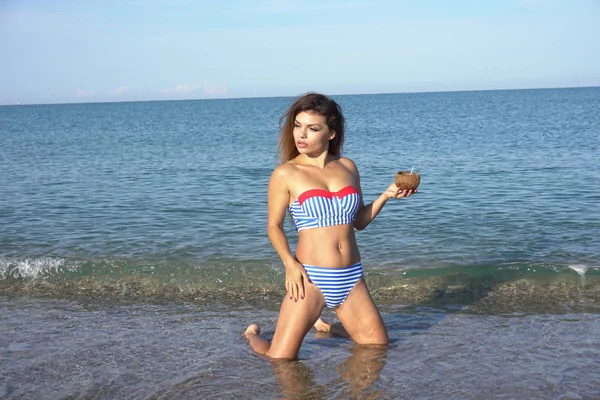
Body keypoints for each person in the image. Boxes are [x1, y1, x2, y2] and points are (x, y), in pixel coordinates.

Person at [244, 92, 416, 360]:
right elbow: (274, 226)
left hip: (351, 277)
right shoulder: (286, 173)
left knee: (377, 350)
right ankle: (251, 335)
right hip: (310, 278)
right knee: (280, 359)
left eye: (312, 128)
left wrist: (386, 195)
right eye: (298, 126)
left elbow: (358, 222)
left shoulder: (347, 167)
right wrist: (290, 265)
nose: (301, 135)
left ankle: (324, 327)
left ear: (331, 133)